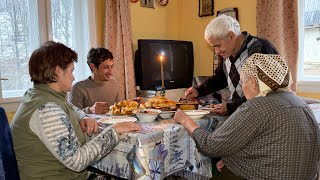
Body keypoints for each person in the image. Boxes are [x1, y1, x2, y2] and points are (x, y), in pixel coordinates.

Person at [174, 53, 320, 179]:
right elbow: (272, 144)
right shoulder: (301, 104)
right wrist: (234, 159)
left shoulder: (257, 106)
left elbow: (211, 146)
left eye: (243, 82)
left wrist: (186, 120)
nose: (243, 88)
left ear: (253, 82)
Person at [11, 41, 141, 180]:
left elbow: (73, 108)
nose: (73, 77)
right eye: (71, 70)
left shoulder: (40, 95)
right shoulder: (46, 110)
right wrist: (114, 130)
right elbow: (77, 161)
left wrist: (83, 117)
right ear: (57, 71)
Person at [185, 14, 278, 115]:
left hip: (263, 115)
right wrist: (198, 91)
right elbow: (220, 78)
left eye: (217, 46)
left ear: (231, 36)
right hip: (239, 113)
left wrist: (231, 107)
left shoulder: (262, 48)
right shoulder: (227, 52)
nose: (216, 52)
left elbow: (267, 90)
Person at [69, 48, 120, 114]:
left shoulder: (114, 84)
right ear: (93, 67)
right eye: (106, 67)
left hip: (114, 123)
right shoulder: (78, 88)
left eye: (112, 67)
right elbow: (72, 115)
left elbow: (118, 110)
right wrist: (90, 110)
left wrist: (131, 104)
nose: (111, 72)